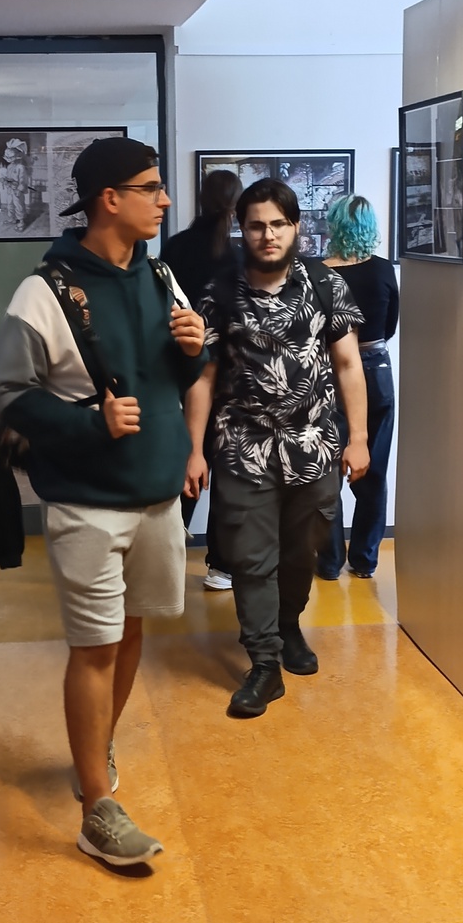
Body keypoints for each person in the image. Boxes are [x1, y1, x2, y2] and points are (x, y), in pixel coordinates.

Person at [0, 136, 208, 869]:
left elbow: (179, 374)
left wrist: (195, 348)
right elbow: (6, 394)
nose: (165, 200)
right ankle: (95, 810)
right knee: (95, 647)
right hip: (87, 502)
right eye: (151, 187)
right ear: (109, 199)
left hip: (157, 495)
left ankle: (96, 748)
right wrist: (89, 423)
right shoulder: (45, 290)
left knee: (132, 631)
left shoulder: (162, 276)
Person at [185, 178, 368, 720]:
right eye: (256, 226)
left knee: (301, 552)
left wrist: (358, 438)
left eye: (278, 225)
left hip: (314, 445)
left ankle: (288, 626)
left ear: (296, 227)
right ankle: (264, 663)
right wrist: (194, 450)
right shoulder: (220, 292)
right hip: (243, 447)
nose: (268, 235)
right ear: (241, 230)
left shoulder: (325, 284)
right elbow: (203, 377)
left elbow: (348, 364)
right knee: (251, 557)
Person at [160, 167, 243, 594]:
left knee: (188, 461)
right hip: (229, 376)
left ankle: (168, 554)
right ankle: (221, 566)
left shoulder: (175, 247)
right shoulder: (239, 256)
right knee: (227, 470)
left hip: (183, 369)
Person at [316, 194, 398, 581]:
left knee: (327, 472)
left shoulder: (318, 273)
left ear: (334, 225)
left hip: (329, 371)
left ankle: (329, 561)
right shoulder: (382, 269)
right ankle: (364, 560)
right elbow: (390, 324)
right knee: (374, 471)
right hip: (376, 368)